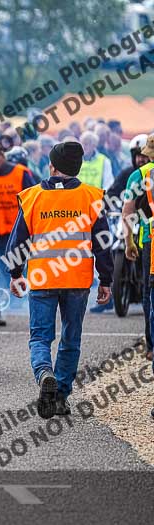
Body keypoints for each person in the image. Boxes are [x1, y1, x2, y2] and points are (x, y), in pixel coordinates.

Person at [8, 141, 112, 419]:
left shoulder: (32, 197)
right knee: (71, 338)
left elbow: (18, 242)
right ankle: (61, 395)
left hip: (42, 278)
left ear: (52, 166)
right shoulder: (92, 196)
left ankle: (44, 374)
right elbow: (103, 242)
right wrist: (106, 279)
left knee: (40, 337)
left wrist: (15, 274)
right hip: (77, 279)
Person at [0, 143, 36, 325]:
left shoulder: (21, 172)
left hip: (19, 227)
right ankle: (9, 295)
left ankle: (18, 298)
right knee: (0, 263)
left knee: (18, 261)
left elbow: (31, 197)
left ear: (2, 155)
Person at [122, 134, 154, 361]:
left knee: (149, 292)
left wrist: (128, 241)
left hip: (149, 239)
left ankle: (152, 346)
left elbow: (128, 212)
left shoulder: (140, 174)